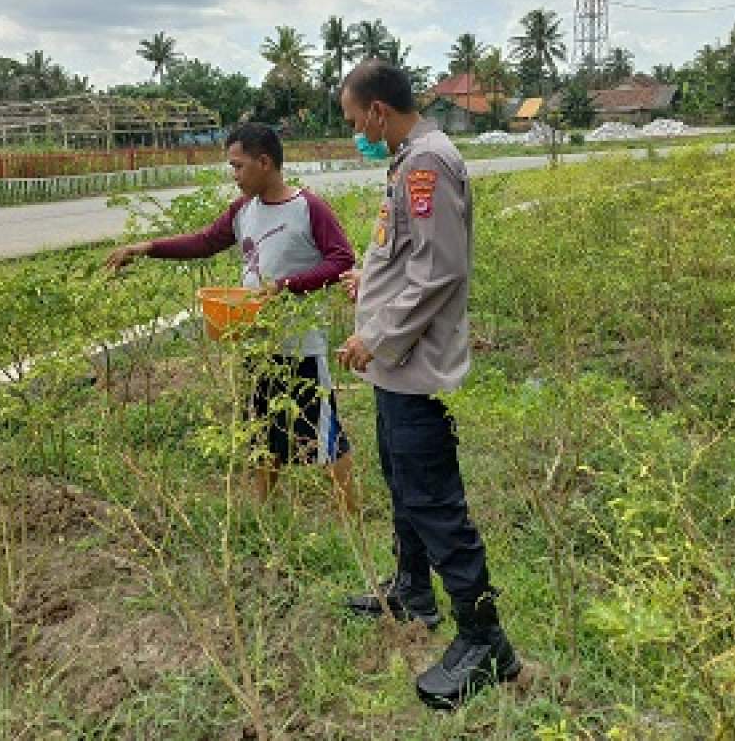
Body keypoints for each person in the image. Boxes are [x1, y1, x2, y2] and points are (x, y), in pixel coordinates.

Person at [337, 60, 521, 709]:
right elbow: (408, 256)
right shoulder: (408, 158)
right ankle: (413, 588)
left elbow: (440, 270)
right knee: (401, 478)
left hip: (413, 366)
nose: (356, 131)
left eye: (356, 120)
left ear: (379, 111)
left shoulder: (427, 163)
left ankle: (484, 636)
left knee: (434, 498)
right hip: (397, 370)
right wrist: (371, 283)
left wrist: (377, 335)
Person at [107, 122, 356, 512]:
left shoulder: (309, 208)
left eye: (238, 166)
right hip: (254, 340)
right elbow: (204, 242)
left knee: (323, 431)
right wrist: (145, 247)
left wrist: (285, 285)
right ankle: (264, 509)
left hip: (298, 343)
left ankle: (351, 518)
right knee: (262, 430)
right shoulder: (243, 211)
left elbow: (342, 260)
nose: (234, 175)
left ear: (265, 162)